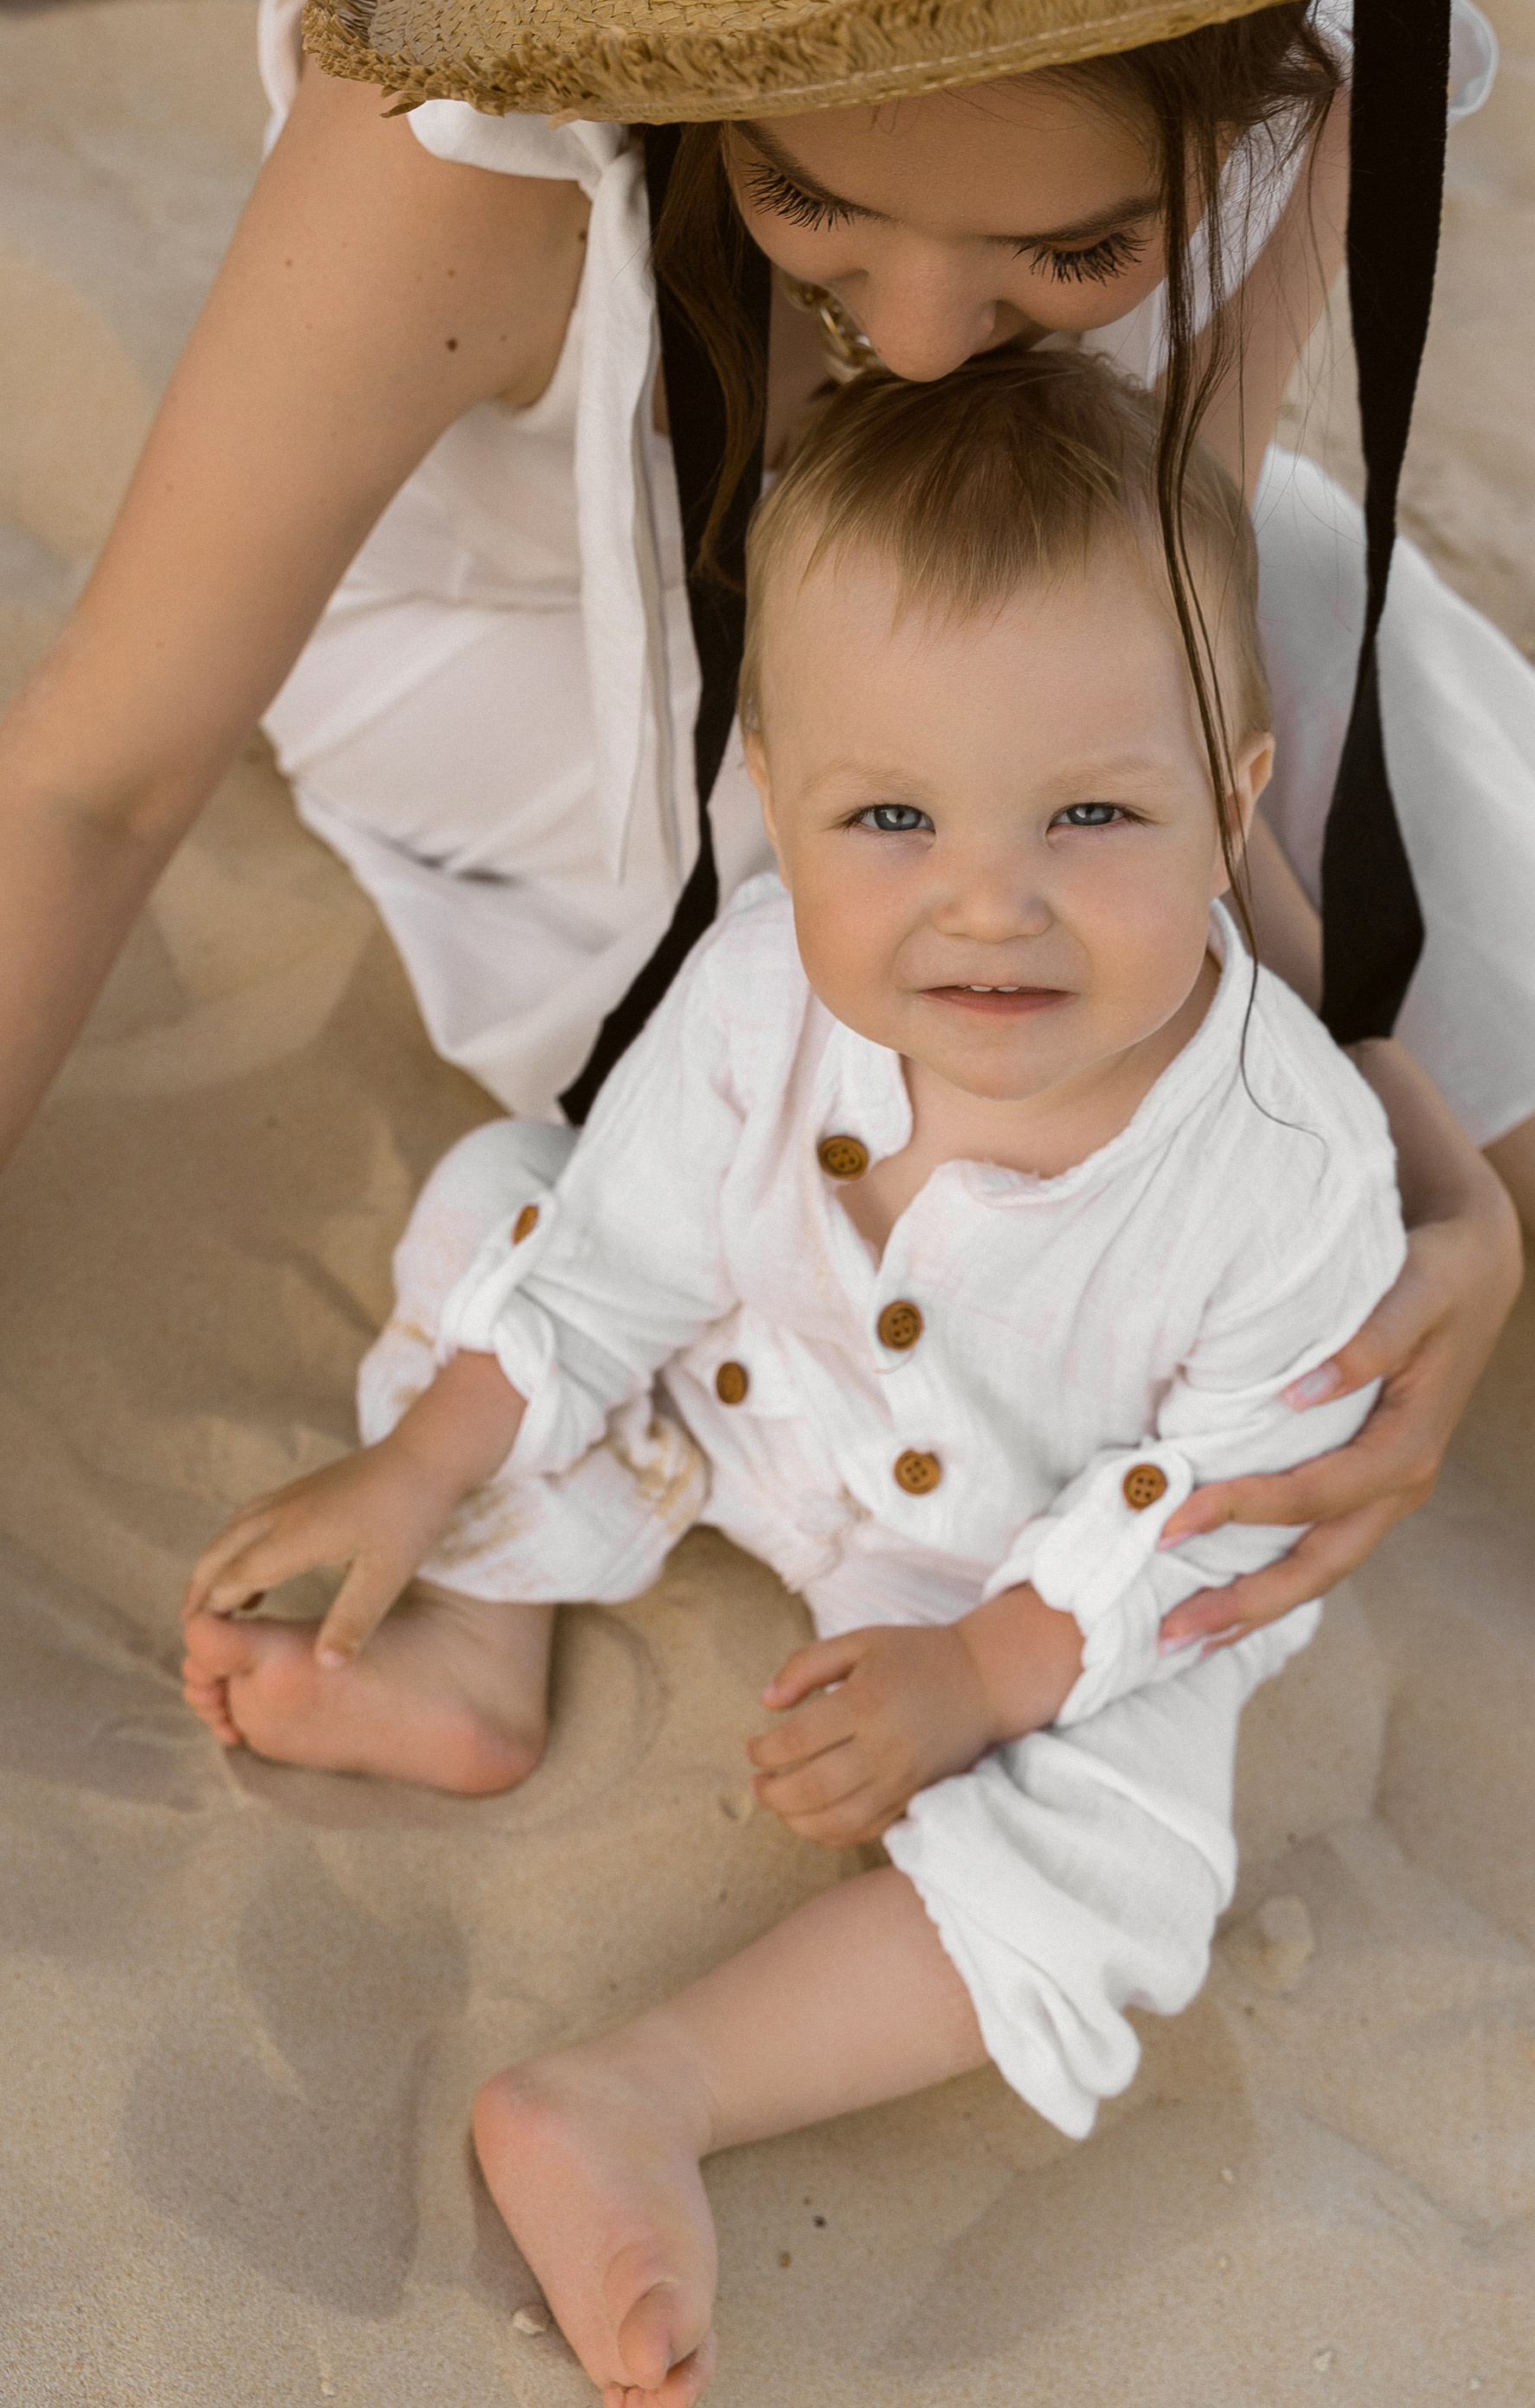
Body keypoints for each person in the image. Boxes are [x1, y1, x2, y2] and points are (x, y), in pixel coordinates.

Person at [4, 0, 1535, 1710]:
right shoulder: (474, 140)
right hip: (543, 670)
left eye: (1073, 249)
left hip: (993, 682)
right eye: (813, 206)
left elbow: (1154, 669)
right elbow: (91, 779)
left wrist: (1429, 1160)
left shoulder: (1307, 65)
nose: (924, 341)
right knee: (904, 992)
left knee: (1270, 563)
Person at [183, 350, 1412, 2399]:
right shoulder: (762, 985)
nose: (988, 900)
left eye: (1094, 811)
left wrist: (990, 1675)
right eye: (895, 815)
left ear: (1237, 799)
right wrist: (422, 1474)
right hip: (756, 1403)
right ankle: (477, 1645)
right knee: (511, 1199)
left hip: (1032, 1561)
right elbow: (617, 1266)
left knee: (1128, 1845)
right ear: (781, 793)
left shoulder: (1291, 1180)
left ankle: (646, 2094)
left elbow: (1214, 1499)